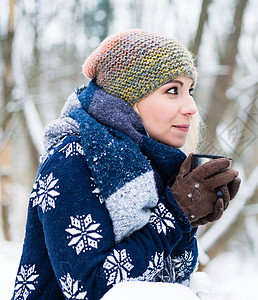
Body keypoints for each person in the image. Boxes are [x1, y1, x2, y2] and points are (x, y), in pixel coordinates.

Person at [12, 29, 241, 300]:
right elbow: (91, 289)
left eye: (189, 90)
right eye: (172, 90)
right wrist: (175, 214)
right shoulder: (71, 160)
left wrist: (188, 221)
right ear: (127, 96)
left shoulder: (153, 167)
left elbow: (173, 278)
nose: (191, 106)